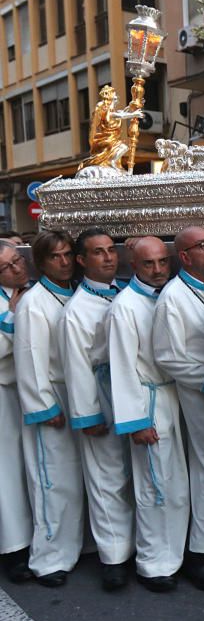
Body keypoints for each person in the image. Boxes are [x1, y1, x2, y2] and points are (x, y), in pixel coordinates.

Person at [152, 226, 204, 592]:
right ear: (184, 256)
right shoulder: (173, 297)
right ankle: (200, 553)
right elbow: (168, 355)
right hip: (203, 395)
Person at [108, 237, 189, 592]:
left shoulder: (171, 294)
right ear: (133, 265)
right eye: (147, 264)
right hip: (148, 401)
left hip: (174, 396)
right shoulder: (125, 305)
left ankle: (174, 555)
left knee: (175, 486)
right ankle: (153, 564)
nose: (157, 270)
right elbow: (122, 366)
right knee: (153, 486)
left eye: (162, 262)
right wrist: (137, 421)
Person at [59, 228, 134, 592]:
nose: (108, 258)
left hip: (132, 393)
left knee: (136, 474)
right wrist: (89, 415)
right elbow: (76, 366)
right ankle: (114, 558)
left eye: (111, 250)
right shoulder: (76, 310)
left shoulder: (123, 291)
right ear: (81, 261)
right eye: (98, 253)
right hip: (102, 395)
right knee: (107, 480)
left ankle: (139, 546)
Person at [14, 230, 85, 587]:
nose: (64, 262)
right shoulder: (34, 302)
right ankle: (48, 558)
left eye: (68, 254)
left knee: (80, 479)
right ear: (40, 263)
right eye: (55, 257)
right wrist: (44, 406)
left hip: (78, 396)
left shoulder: (75, 292)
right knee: (52, 481)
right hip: (52, 399)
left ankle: (77, 546)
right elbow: (29, 358)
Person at [0, 240, 33, 584]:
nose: (15, 269)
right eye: (6, 267)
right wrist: (10, 315)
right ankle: (14, 549)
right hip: (4, 395)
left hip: (28, 394)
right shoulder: (10, 299)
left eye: (17, 261)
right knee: (7, 476)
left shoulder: (32, 290)